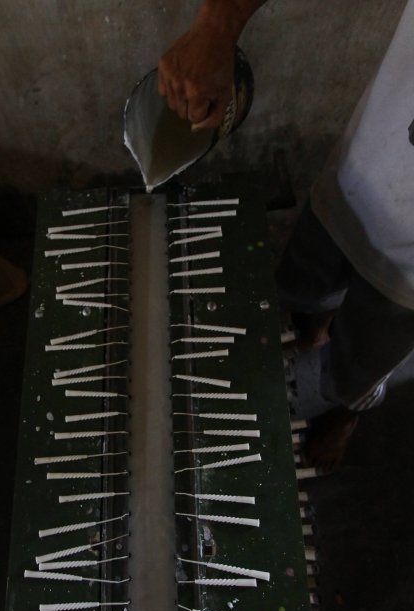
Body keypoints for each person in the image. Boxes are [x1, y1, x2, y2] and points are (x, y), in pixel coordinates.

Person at [158, 0, 414, 473]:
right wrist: (217, 27)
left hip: (410, 274)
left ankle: (342, 415)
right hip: (367, 164)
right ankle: (312, 333)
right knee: (305, 282)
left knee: (364, 361)